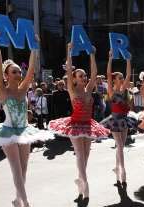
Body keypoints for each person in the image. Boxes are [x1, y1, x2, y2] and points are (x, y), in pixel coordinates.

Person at [0, 31, 54, 207]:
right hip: (8, 132)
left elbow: (31, 70)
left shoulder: (24, 89)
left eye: (18, 71)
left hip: (24, 130)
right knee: (16, 170)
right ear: (6, 75)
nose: (18, 73)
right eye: (14, 72)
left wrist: (34, 47)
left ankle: (17, 199)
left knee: (24, 169)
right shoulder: (3, 90)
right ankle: (26, 202)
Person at [48, 43, 110, 206]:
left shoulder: (89, 90)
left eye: (84, 76)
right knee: (80, 155)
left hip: (88, 125)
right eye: (80, 76)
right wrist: (69, 50)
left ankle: (79, 181)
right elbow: (68, 69)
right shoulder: (72, 89)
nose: (84, 78)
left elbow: (95, 72)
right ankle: (86, 184)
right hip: (75, 125)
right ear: (74, 79)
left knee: (86, 156)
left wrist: (92, 54)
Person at [100, 50, 137, 187]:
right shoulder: (111, 90)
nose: (122, 79)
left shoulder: (124, 90)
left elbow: (128, 74)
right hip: (115, 120)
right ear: (115, 80)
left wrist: (128, 59)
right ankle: (123, 171)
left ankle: (117, 168)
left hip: (125, 119)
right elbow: (108, 75)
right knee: (120, 146)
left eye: (122, 78)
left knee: (121, 146)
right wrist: (109, 59)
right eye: (119, 78)